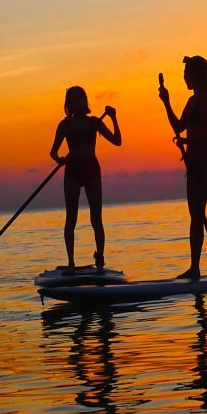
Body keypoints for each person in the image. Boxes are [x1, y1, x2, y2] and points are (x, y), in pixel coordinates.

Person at [158, 56, 207, 280]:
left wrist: (191, 142)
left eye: (186, 74)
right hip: (194, 168)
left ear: (196, 75)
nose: (184, 78)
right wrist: (166, 102)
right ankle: (194, 268)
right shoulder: (192, 101)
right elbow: (178, 128)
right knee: (196, 218)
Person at [50, 86, 121, 275]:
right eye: (72, 100)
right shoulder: (64, 125)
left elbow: (117, 141)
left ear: (85, 101)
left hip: (92, 171)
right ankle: (71, 262)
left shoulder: (95, 123)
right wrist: (60, 160)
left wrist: (114, 117)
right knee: (71, 218)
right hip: (72, 172)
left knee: (96, 218)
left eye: (80, 99)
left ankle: (100, 259)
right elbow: (53, 152)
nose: (77, 103)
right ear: (68, 105)